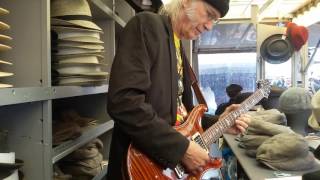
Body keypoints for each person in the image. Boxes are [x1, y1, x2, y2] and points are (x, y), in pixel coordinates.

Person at [106, 0, 251, 179]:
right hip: (138, 168)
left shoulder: (178, 47)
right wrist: (182, 149)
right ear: (186, 1)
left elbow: (184, 117)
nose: (209, 26)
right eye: (209, 14)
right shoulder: (146, 25)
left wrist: (220, 122)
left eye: (215, 21)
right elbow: (124, 102)